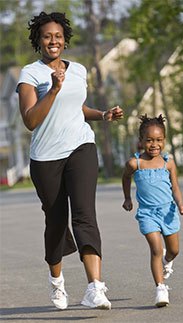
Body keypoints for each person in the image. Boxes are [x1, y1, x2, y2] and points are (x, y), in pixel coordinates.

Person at [16, 11, 123, 311]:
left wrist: (102, 115)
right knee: (56, 221)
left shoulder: (79, 70)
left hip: (81, 147)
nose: (53, 40)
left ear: (65, 40)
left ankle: (95, 288)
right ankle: (57, 282)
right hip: (46, 158)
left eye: (58, 36)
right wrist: (52, 89)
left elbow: (77, 108)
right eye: (48, 36)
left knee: (85, 215)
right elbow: (30, 121)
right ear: (39, 39)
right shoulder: (30, 74)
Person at [122, 114, 183, 307]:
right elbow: (125, 178)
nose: (154, 144)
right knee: (156, 249)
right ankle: (160, 288)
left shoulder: (169, 162)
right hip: (147, 214)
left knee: (174, 250)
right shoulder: (135, 163)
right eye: (149, 140)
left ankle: (167, 261)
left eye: (159, 140)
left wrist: (181, 204)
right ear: (141, 141)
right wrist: (127, 198)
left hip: (168, 211)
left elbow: (175, 187)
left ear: (164, 141)